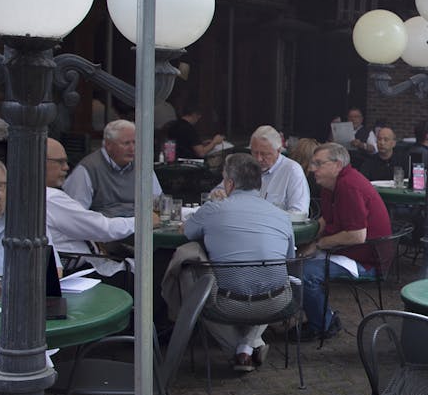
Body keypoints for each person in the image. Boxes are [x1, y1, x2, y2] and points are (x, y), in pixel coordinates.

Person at [166, 154, 295, 372]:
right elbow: (289, 258)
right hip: (277, 303)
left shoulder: (212, 210)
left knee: (191, 270)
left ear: (230, 183)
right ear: (259, 183)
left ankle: (237, 349)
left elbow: (186, 231)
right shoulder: (282, 216)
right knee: (271, 274)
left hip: (226, 303)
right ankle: (247, 346)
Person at [298, 142, 390, 339]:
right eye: (312, 163)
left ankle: (323, 325)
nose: (312, 168)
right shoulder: (329, 185)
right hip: (347, 251)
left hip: (367, 259)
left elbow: (357, 236)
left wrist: (317, 244)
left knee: (304, 274)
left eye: (318, 163)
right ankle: (325, 318)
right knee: (294, 263)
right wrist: (309, 239)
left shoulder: (349, 186)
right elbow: (325, 219)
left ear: (337, 165)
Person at [45, 138, 147, 278]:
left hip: (94, 259)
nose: (66, 167)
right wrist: (143, 221)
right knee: (152, 270)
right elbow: (104, 229)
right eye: (60, 162)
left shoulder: (40, 195)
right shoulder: (51, 198)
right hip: (85, 272)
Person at [63, 119, 163, 218]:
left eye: (135, 142)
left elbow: (158, 202)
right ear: (108, 145)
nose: (132, 149)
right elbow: (75, 214)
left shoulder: (142, 165)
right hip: (104, 230)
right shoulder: (88, 169)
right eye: (126, 143)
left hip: (138, 228)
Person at [209, 126, 310, 213]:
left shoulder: (292, 170)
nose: (258, 159)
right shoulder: (244, 165)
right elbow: (216, 192)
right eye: (254, 153)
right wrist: (218, 194)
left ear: (278, 150)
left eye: (265, 154)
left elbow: (299, 212)